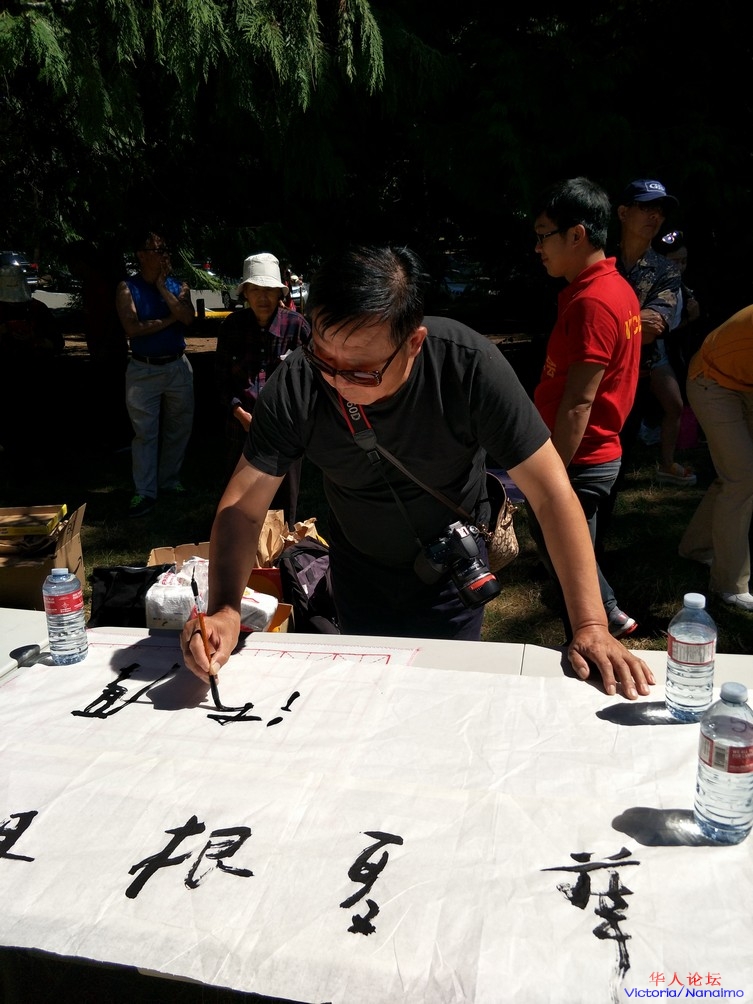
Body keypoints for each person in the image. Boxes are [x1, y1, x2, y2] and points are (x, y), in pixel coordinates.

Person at [181, 244, 654, 701]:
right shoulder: (299, 381)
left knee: (443, 700)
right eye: (324, 358)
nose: (338, 382)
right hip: (357, 569)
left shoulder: (467, 366)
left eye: (362, 370)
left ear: (413, 343)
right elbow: (243, 508)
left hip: (450, 570)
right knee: (369, 696)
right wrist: (224, 609)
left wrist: (591, 624)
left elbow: (551, 493)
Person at [530, 177, 642, 640]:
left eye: (543, 235)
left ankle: (597, 638)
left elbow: (579, 401)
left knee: (568, 565)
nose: (538, 247)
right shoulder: (613, 288)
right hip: (595, 452)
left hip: (581, 458)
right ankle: (607, 613)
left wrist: (551, 474)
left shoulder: (594, 302)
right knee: (571, 554)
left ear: (576, 235)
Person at [214, 252, 311, 523]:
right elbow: (220, 380)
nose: (263, 297)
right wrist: (238, 413)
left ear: (280, 293)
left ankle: (283, 541)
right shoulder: (232, 327)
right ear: (245, 293)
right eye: (256, 289)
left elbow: (313, 380)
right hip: (241, 425)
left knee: (284, 499)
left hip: (286, 429)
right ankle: (239, 540)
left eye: (269, 290)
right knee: (238, 498)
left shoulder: (297, 326)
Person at [614, 179, 692, 487]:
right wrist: (635, 320)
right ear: (623, 213)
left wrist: (609, 322)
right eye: (645, 207)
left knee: (616, 464)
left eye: (659, 210)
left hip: (635, 376)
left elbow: (654, 328)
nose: (655, 216)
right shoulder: (599, 259)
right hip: (588, 372)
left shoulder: (665, 269)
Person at [115, 231, 195, 518]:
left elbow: (188, 318)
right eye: (157, 251)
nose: (164, 255)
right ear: (141, 255)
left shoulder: (178, 285)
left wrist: (162, 287)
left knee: (179, 428)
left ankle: (170, 481)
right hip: (143, 369)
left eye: (165, 250)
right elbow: (132, 328)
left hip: (177, 366)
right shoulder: (127, 288)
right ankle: (145, 492)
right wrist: (172, 318)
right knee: (145, 433)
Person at [678, 305, 753, 612]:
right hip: (712, 380)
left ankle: (696, 547)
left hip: (744, 382)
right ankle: (728, 583)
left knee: (735, 478)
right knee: (742, 478)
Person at [66, 239, 132, 452]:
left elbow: (112, 317)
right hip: (101, 346)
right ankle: (111, 437)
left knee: (112, 393)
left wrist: (104, 345)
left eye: (72, 263)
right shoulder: (91, 283)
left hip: (109, 348)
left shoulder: (100, 284)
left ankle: (119, 438)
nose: (71, 269)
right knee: (107, 392)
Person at [0, 264, 63, 469]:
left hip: (35, 374)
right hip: (6, 375)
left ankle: (37, 458)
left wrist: (34, 339)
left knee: (35, 418)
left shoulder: (37, 309)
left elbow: (57, 343)